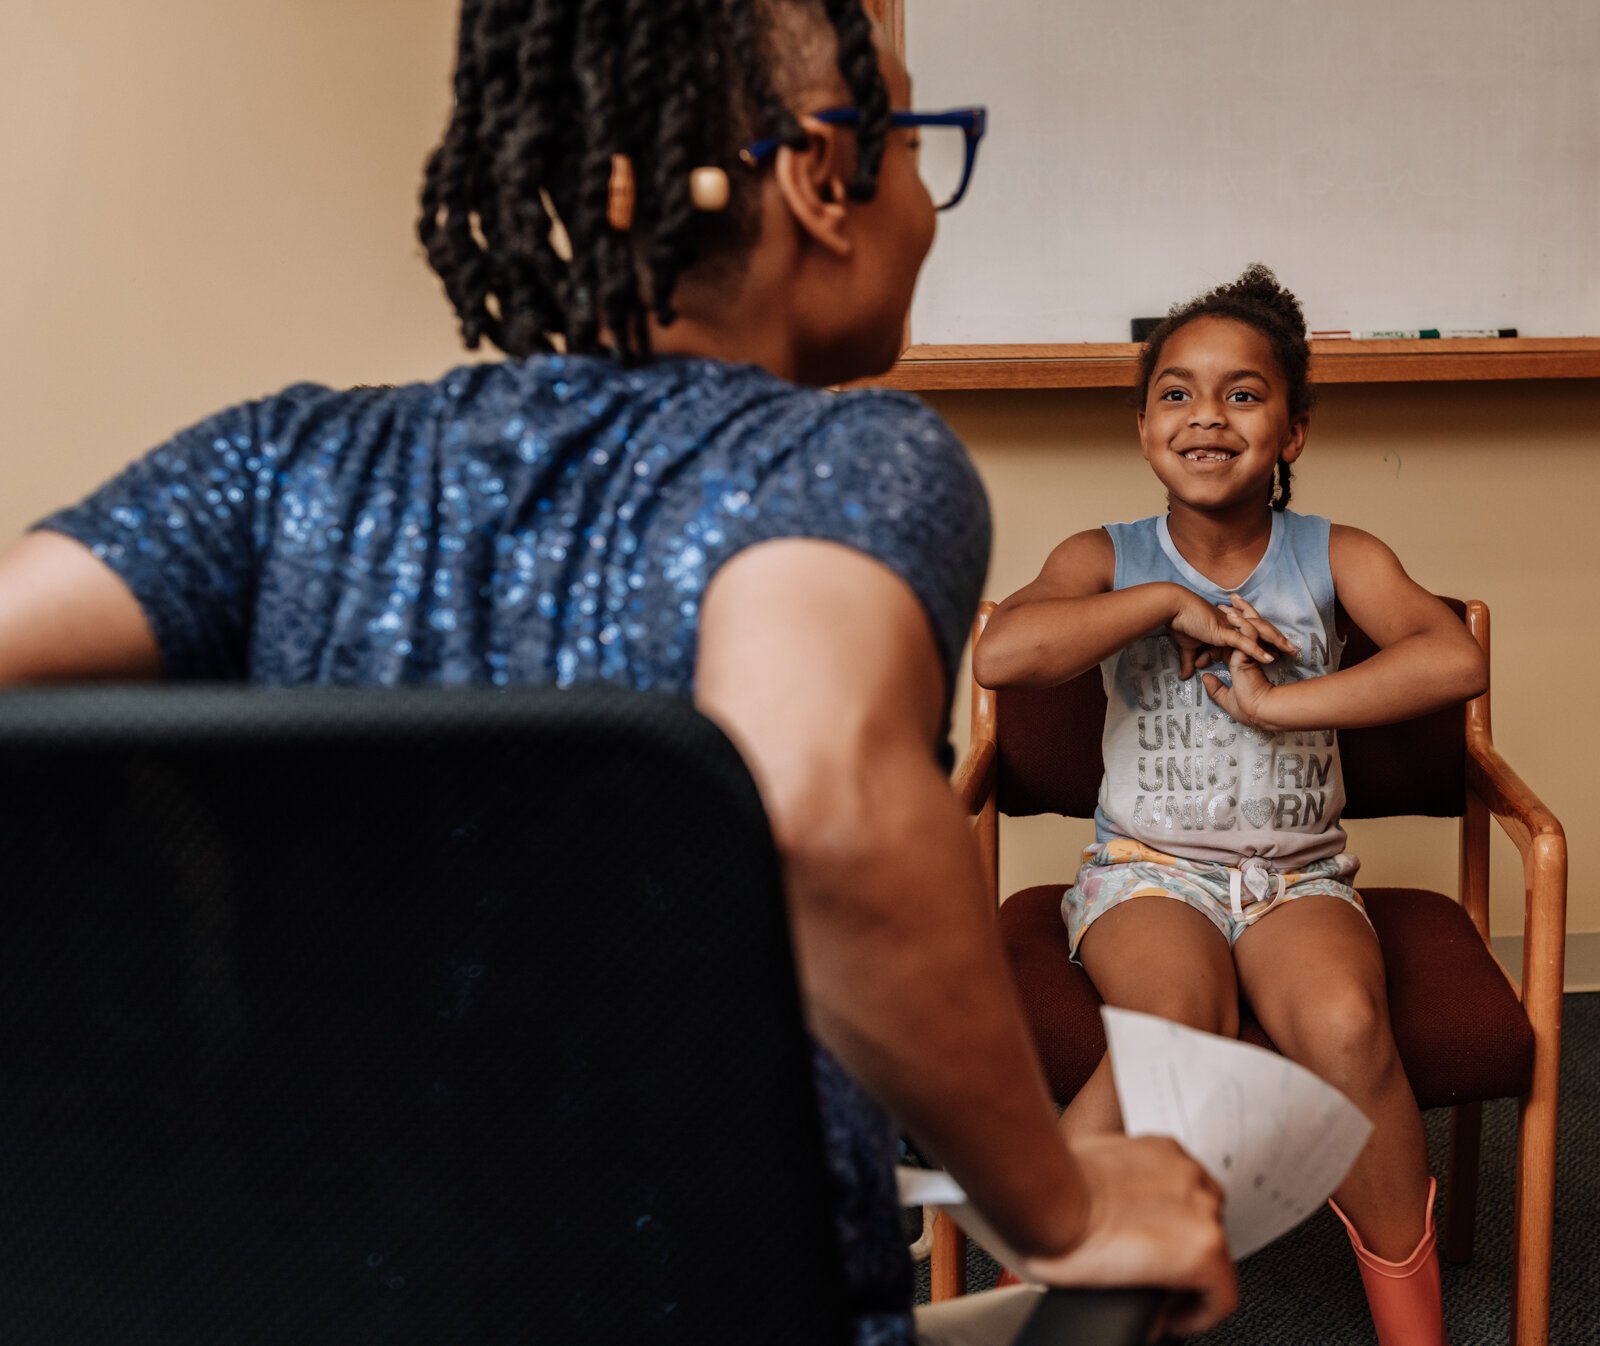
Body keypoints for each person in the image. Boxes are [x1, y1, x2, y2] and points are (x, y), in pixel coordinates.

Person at [0, 2, 1234, 1342]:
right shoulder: (842, 462)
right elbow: (813, 800)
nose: (930, 208)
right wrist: (1058, 1209)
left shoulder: (278, 465)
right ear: (825, 176)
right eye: (920, 140)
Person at [974, 264, 1488, 1346]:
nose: (1206, 414)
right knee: (1172, 1027)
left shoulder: (1334, 553)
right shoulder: (1102, 556)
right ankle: (1071, 1273)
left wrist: (1281, 701)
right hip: (1150, 869)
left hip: (1299, 874)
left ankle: (1413, 1321)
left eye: (1244, 394)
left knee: (1349, 1025)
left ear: (1293, 430)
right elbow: (1005, 652)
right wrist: (1164, 601)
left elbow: (1450, 660)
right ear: (1143, 422)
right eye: (1175, 391)